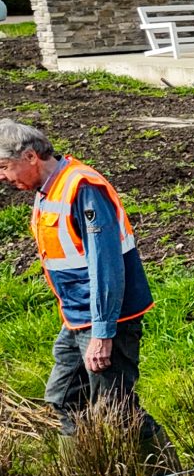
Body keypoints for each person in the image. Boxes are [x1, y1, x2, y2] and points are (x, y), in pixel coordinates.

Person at [0, 120, 159, 442]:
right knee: (65, 398)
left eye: (4, 167)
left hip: (107, 319)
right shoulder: (47, 190)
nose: (2, 177)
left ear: (31, 156)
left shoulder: (82, 187)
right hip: (76, 316)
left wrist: (102, 334)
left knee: (118, 411)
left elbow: (106, 265)